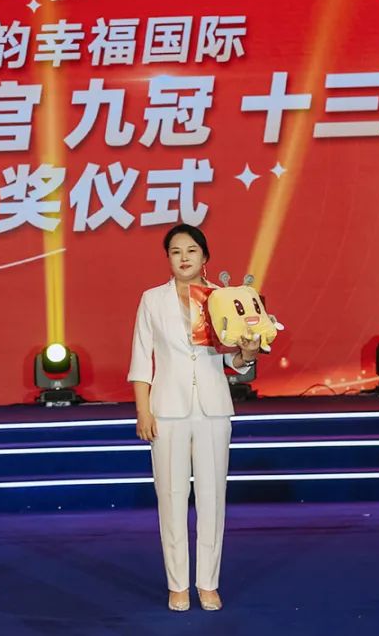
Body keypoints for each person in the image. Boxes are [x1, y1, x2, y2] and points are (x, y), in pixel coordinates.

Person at [128, 224, 261, 612]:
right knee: (170, 498)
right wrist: (143, 410)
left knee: (212, 498)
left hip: (213, 408)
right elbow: (141, 358)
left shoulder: (225, 298)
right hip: (167, 410)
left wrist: (249, 352)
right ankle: (177, 584)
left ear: (205, 256)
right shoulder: (152, 300)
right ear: (168, 259)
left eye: (191, 250)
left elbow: (235, 360)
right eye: (175, 251)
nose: (183, 257)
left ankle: (208, 583)